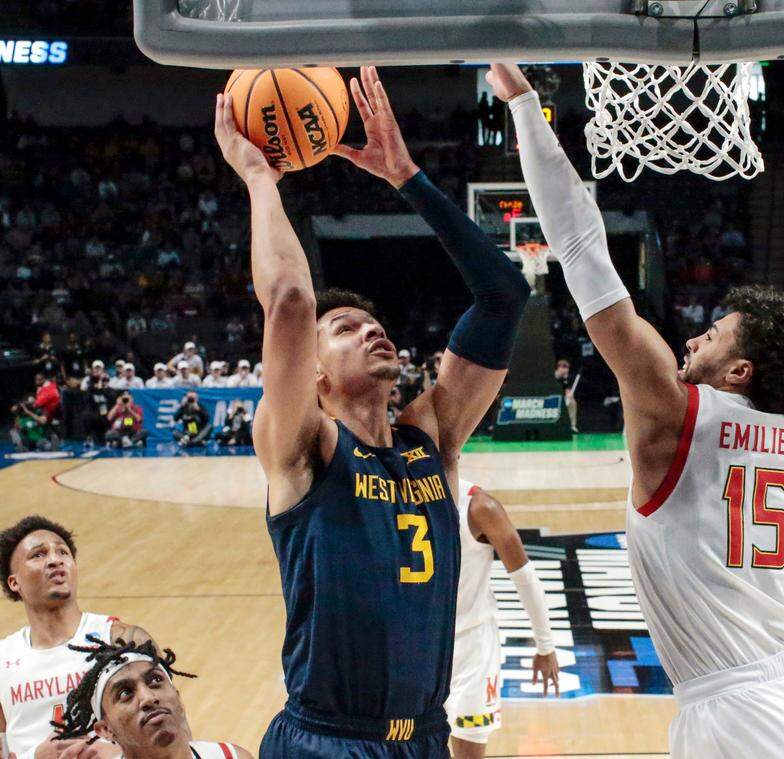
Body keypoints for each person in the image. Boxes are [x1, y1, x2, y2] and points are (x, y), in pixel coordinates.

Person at [492, 62, 784, 759]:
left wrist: (524, 105)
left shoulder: (671, 415)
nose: (694, 336)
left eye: (713, 334)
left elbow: (582, 248)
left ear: (739, 369)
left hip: (741, 713)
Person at [214, 64, 528, 758]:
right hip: (326, 738)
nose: (373, 329)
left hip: (423, 737)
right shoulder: (302, 448)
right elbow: (293, 302)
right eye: (349, 327)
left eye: (374, 323)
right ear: (315, 372)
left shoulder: (430, 437)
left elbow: (504, 295)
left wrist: (407, 176)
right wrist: (260, 180)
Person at [0, 516, 151, 759]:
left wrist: (121, 752)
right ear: (14, 582)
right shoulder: (2, 659)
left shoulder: (118, 638)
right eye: (38, 555)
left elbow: (171, 728)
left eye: (63, 552)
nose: (55, 559)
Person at [447, 482, 559, 758]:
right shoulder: (396, 492)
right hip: (418, 648)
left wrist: (545, 645)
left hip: (473, 650)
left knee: (469, 749)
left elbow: (525, 578)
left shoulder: (480, 506)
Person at [51, 637, 251, 759]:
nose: (148, 698)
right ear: (105, 730)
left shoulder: (231, 757)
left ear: (178, 699)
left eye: (155, 681)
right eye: (125, 693)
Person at [554, 359, 579, 433]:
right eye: (564, 367)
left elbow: (567, 390)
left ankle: (572, 426)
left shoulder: (567, 379)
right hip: (552, 397)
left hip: (562, 398)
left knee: (572, 402)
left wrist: (569, 395)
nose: (566, 370)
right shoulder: (552, 376)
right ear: (558, 367)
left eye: (567, 368)